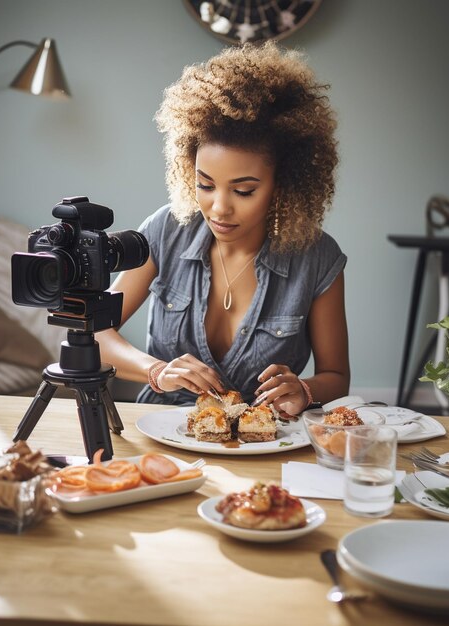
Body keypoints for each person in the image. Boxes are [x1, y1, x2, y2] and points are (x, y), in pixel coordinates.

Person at [97, 41, 349, 417]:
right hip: (164, 432)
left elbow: (336, 376)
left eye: (244, 190)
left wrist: (304, 389)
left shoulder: (318, 257)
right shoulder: (166, 230)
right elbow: (95, 333)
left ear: (283, 183)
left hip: (263, 439)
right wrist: (157, 371)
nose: (219, 208)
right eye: (205, 184)